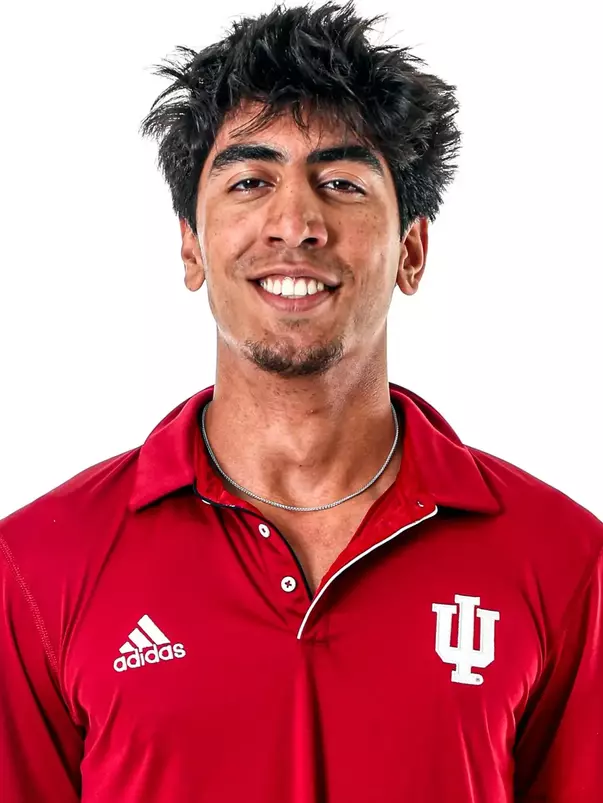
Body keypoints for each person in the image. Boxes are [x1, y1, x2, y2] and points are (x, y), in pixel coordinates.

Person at [1, 2, 602, 801]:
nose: (295, 222)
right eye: (250, 180)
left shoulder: (562, 560)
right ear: (191, 245)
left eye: (342, 182)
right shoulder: (38, 567)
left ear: (411, 250)